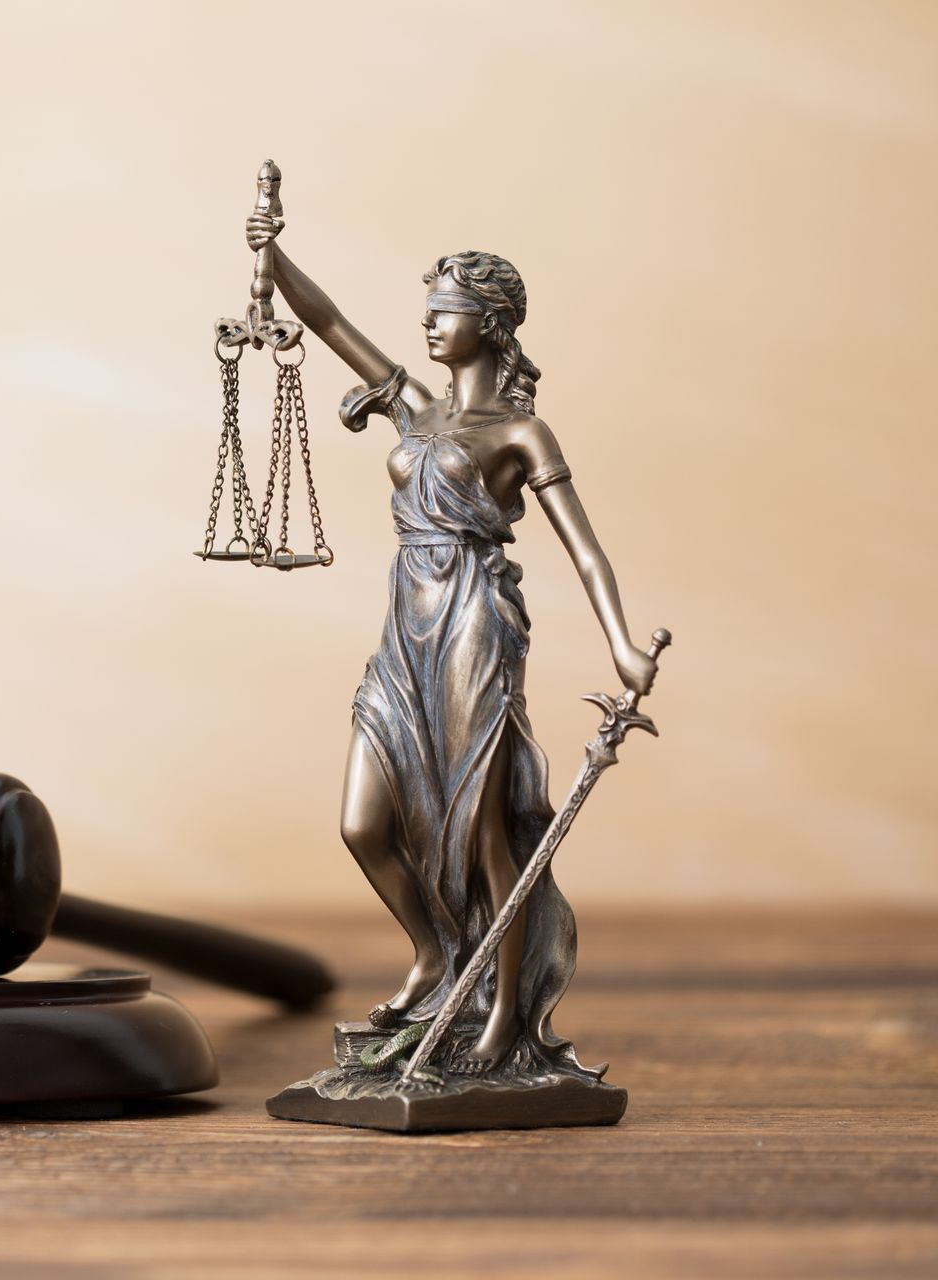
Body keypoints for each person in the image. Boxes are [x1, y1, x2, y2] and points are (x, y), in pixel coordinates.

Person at [247, 215, 657, 1073]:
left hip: (475, 620)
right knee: (364, 823)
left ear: (491, 325)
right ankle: (436, 954)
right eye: (428, 309)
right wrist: (270, 255)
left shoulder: (522, 434)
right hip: (406, 625)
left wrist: (622, 644)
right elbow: (329, 322)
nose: (429, 323)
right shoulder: (413, 406)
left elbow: (585, 549)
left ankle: (505, 1013)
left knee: (484, 831)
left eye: (445, 311)